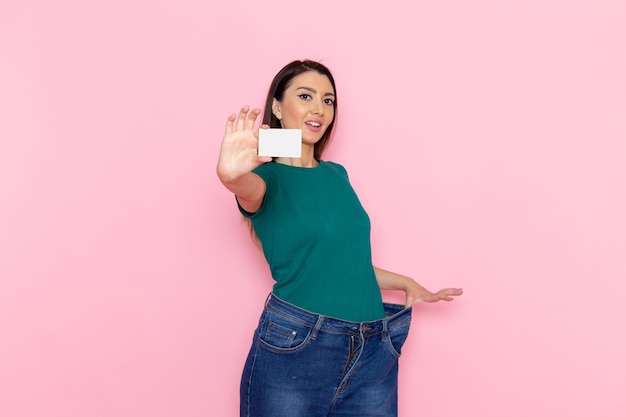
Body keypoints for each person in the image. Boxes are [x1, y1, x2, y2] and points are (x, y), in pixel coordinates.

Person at [217, 59, 463, 417]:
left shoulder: (336, 174)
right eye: (305, 96)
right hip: (298, 345)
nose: (319, 109)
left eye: (328, 100)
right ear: (276, 107)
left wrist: (406, 282)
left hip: (372, 348)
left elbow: (343, 263)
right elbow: (243, 186)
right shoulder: (265, 179)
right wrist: (230, 175)